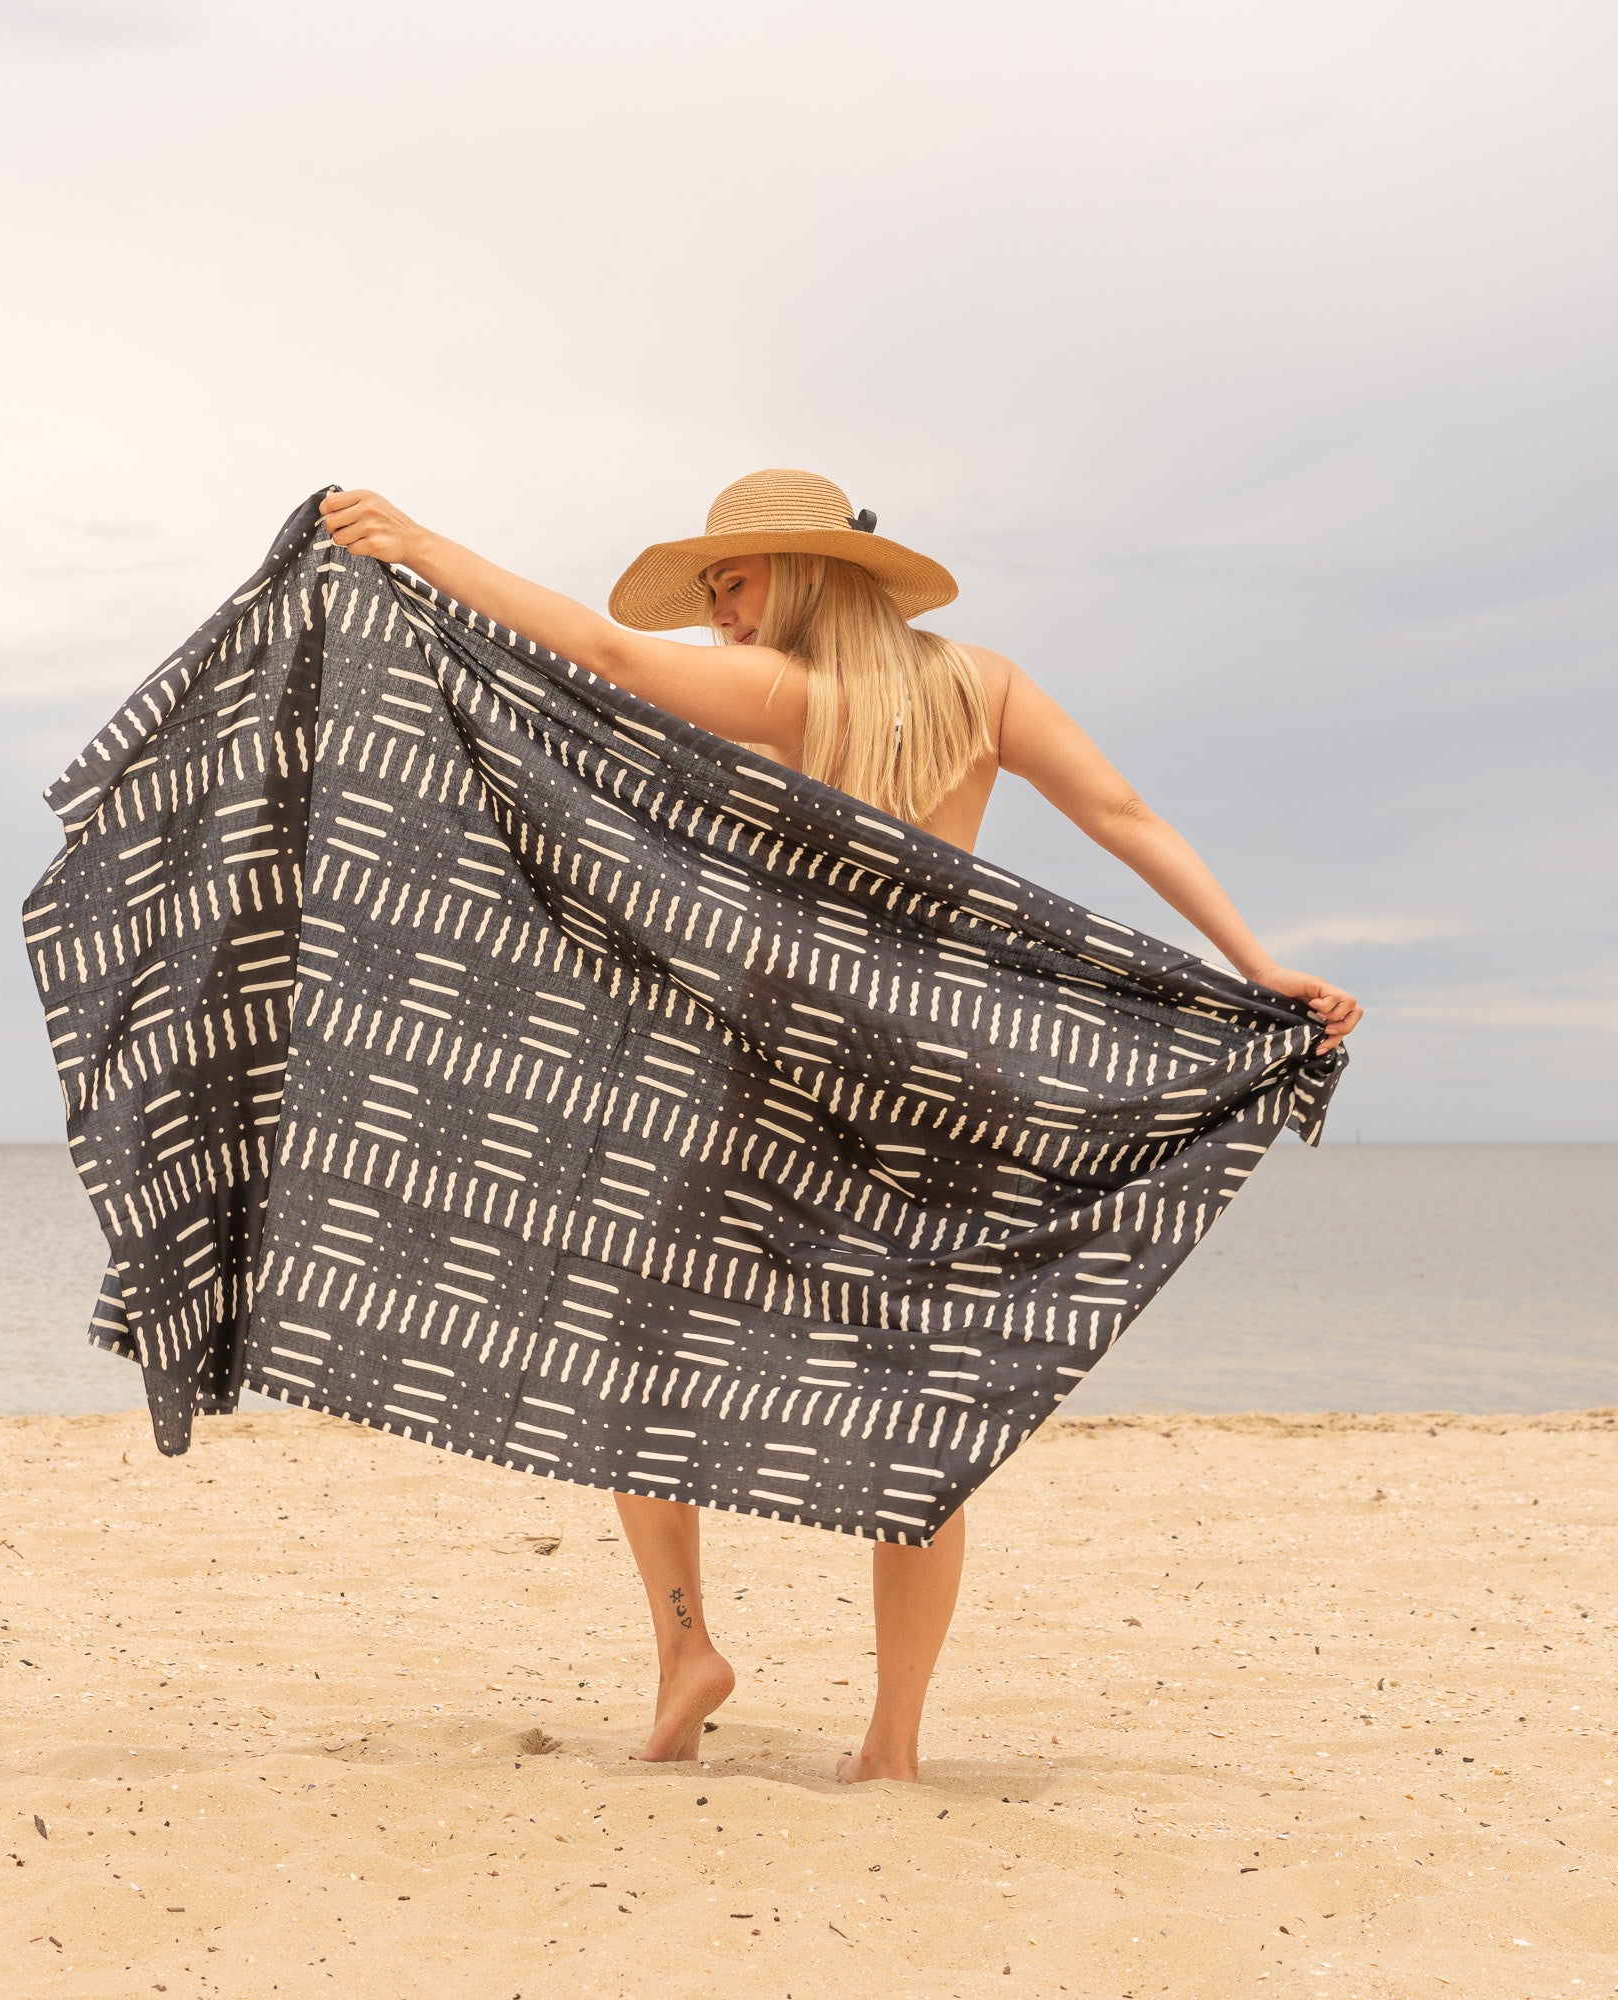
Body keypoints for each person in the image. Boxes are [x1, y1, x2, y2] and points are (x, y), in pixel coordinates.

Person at [318, 469, 1362, 1784]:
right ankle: (893, 1750)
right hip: (944, 1079)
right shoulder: (987, 690)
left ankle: (688, 1649)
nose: (718, 613)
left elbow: (592, 652)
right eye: (707, 594)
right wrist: (1253, 961)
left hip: (783, 1068)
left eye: (732, 582)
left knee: (639, 1355)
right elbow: (1121, 816)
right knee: (926, 1407)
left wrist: (419, 545)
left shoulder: (790, 698)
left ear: (805, 571)